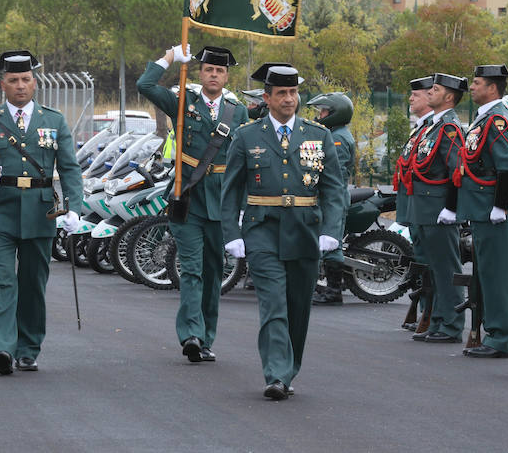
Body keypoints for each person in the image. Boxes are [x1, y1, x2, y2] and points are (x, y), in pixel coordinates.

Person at [220, 65, 344, 400]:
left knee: (298, 306)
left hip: (305, 230)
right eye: (281, 93)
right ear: (267, 97)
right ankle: (275, 374)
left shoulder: (318, 135)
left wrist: (331, 230)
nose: (289, 99)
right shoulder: (247, 135)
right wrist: (232, 233)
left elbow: (334, 189)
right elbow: (230, 190)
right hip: (262, 229)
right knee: (273, 302)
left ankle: (288, 371)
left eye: (293, 93)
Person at [0, 50, 83, 374]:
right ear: (3, 84)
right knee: (2, 281)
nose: (20, 85)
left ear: (35, 82)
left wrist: (74, 208)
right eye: (13, 80)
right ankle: (3, 347)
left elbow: (69, 169)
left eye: (25, 79)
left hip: (40, 213)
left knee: (32, 284)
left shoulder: (53, 120)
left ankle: (28, 349)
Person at [136, 44, 249, 363]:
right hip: (187, 197)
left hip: (222, 201)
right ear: (200, 73)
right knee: (192, 269)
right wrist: (170, 58)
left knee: (214, 272)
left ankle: (206, 337)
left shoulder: (237, 111)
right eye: (209, 69)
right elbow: (145, 85)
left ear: (226, 77)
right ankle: (191, 335)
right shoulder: (183, 101)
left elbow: (242, 161)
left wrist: (242, 205)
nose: (214, 75)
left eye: (219, 71)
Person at [456, 64, 508, 358]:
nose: (472, 87)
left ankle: (500, 338)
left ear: (492, 88)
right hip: (481, 208)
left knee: (496, 278)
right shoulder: (485, 118)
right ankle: (491, 334)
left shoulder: (498, 121)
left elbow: (507, 169)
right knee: (486, 276)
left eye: (477, 83)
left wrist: (499, 206)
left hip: (492, 210)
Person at [410, 73, 467, 343]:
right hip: (425, 207)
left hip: (439, 208)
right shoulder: (434, 126)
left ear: (449, 97)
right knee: (434, 270)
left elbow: (457, 171)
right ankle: (437, 321)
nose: (429, 92)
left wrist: (451, 208)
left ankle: (452, 324)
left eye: (435, 89)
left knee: (446, 270)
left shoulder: (450, 127)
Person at [393, 76, 435, 331]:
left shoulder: (433, 128)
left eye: (415, 94)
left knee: (429, 263)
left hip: (426, 205)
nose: (410, 98)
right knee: (420, 261)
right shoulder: (421, 128)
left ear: (430, 97)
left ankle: (430, 315)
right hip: (414, 204)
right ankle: (424, 314)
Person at [307, 92, 356, 305]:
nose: (320, 115)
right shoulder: (334, 133)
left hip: (332, 199)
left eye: (324, 111)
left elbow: (334, 173)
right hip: (328, 197)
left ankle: (334, 291)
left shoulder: (338, 138)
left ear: (336, 113)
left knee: (332, 244)